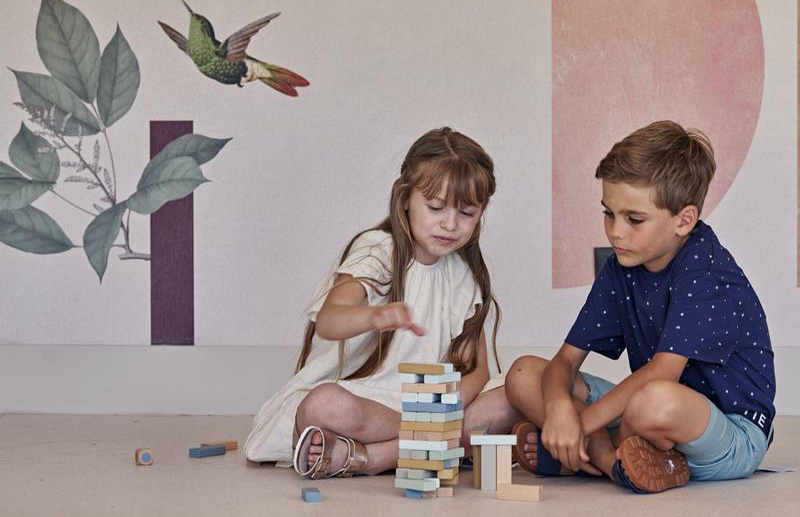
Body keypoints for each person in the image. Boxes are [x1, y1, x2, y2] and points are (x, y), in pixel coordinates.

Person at [505, 120, 775, 493]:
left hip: (730, 430)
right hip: (642, 414)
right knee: (524, 374)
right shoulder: (622, 265)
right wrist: (559, 410)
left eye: (634, 219)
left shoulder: (704, 269)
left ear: (684, 220)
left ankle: (590, 454)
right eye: (608, 213)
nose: (616, 231)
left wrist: (577, 426)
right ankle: (615, 460)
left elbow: (663, 373)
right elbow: (565, 361)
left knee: (653, 401)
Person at [244, 126, 518, 478]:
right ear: (405, 198)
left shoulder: (463, 273)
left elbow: (476, 370)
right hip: (366, 401)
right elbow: (329, 321)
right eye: (435, 207)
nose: (450, 224)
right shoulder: (377, 250)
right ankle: (422, 447)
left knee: (512, 396)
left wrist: (442, 412)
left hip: (429, 407)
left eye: (467, 213)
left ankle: (372, 457)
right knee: (324, 405)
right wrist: (375, 316)